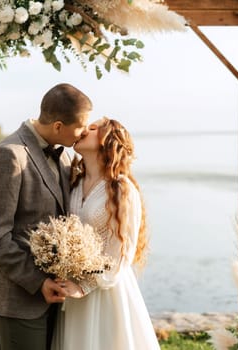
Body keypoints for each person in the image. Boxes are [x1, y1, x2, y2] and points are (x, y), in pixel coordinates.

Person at [0, 83, 92, 350]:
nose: (84, 132)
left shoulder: (63, 156)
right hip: (19, 298)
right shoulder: (9, 156)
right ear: (59, 126)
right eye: (81, 126)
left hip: (57, 298)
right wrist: (38, 281)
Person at [51, 117, 160, 350]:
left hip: (106, 290)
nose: (82, 130)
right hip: (71, 288)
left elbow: (122, 252)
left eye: (92, 128)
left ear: (107, 141)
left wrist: (84, 286)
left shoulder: (121, 188)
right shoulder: (74, 181)